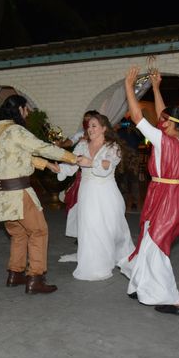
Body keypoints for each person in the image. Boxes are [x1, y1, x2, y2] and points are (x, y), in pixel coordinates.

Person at [119, 67, 179, 316]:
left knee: (156, 249)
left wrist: (129, 86)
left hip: (166, 200)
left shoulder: (162, 139)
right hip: (170, 197)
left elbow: (136, 115)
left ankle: (174, 301)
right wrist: (155, 87)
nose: (160, 121)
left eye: (164, 121)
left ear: (169, 125)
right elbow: (165, 114)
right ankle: (138, 284)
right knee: (148, 242)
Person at [0, 94, 78, 294]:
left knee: (18, 234)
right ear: (19, 109)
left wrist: (45, 164)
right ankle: (35, 278)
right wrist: (73, 158)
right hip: (17, 192)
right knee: (39, 231)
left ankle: (15, 273)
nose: (27, 113)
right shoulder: (16, 130)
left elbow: (13, 157)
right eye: (26, 109)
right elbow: (41, 147)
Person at [54, 113, 135, 280]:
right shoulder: (82, 146)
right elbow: (71, 166)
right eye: (88, 126)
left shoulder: (112, 147)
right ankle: (94, 263)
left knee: (110, 229)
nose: (89, 129)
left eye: (94, 126)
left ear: (104, 128)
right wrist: (58, 168)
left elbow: (107, 165)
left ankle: (113, 255)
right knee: (90, 228)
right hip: (86, 193)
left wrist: (89, 162)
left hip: (106, 193)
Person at [60, 109, 99, 238]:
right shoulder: (81, 136)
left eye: (89, 119)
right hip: (82, 175)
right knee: (78, 203)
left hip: (99, 177)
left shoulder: (103, 137)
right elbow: (70, 142)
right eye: (85, 119)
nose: (86, 122)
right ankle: (81, 232)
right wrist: (59, 144)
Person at [116, 117, 143, 210]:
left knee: (131, 180)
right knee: (125, 179)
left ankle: (132, 201)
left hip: (130, 157)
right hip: (124, 157)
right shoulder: (121, 131)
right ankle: (126, 201)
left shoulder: (135, 132)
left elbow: (141, 139)